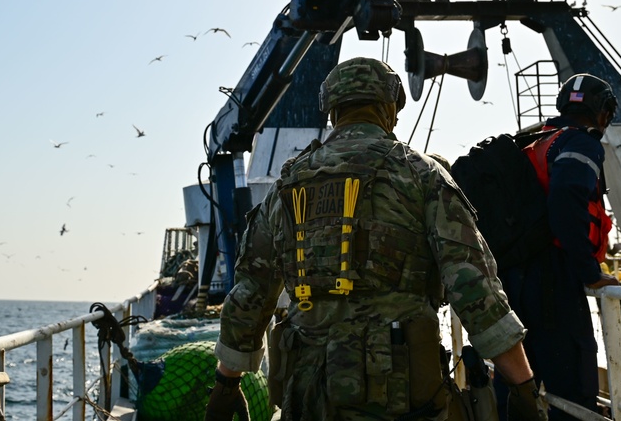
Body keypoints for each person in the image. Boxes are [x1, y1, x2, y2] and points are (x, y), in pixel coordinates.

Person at [205, 57, 544, 421]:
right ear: (390, 108)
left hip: (308, 396)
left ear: (332, 109)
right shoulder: (422, 175)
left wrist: (227, 383)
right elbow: (475, 289)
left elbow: (251, 293)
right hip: (402, 396)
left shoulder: (287, 185)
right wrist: (523, 386)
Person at [494, 73, 620, 420]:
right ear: (601, 112)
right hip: (553, 280)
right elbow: (565, 202)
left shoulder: (533, 140)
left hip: (513, 276)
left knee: (516, 385)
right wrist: (590, 272)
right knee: (573, 388)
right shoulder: (581, 143)